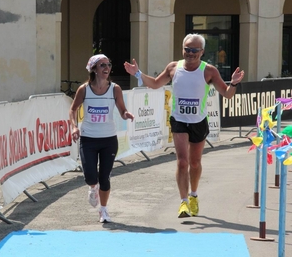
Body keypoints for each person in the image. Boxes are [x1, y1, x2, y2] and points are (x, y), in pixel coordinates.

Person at [124, 33, 244, 218]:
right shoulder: (174, 67)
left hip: (199, 121)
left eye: (195, 50)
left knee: (195, 163)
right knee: (182, 162)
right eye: (187, 49)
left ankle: (194, 195)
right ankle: (183, 202)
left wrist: (234, 83)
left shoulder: (209, 71)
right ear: (183, 49)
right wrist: (138, 74)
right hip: (179, 120)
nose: (190, 53)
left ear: (202, 52)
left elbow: (227, 94)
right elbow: (156, 84)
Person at [69, 54, 134, 223]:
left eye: (108, 64)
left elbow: (122, 110)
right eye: (102, 65)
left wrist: (126, 114)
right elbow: (73, 109)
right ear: (94, 69)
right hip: (89, 138)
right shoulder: (84, 89)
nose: (107, 68)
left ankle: (103, 210)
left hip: (108, 139)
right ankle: (92, 187)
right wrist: (74, 126)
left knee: (104, 177)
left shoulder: (115, 89)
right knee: (91, 176)